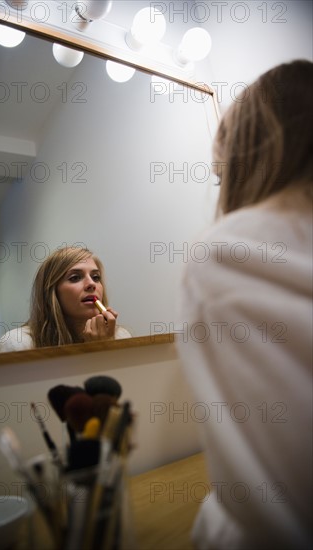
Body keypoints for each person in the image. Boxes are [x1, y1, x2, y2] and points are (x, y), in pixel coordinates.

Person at [177, 60, 312, 549]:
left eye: (221, 178)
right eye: (73, 277)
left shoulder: (231, 254)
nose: (91, 286)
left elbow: (272, 509)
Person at [0, 246, 131, 352]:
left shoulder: (119, 336)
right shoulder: (17, 344)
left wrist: (106, 346)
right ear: (52, 293)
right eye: (75, 278)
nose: (91, 284)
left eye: (96, 277)